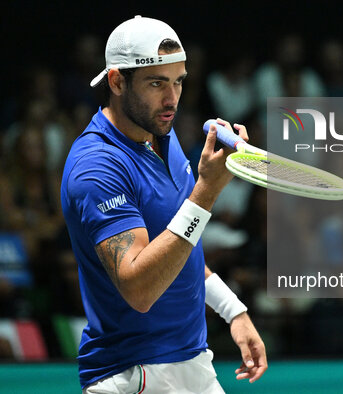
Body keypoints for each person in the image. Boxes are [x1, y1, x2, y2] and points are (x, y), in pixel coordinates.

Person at [61, 15, 267, 393]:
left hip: (194, 364)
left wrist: (233, 311)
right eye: (157, 83)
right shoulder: (96, 167)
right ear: (117, 81)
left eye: (178, 81)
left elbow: (178, 248)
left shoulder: (163, 138)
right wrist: (206, 192)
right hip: (132, 374)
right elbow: (139, 289)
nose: (171, 99)